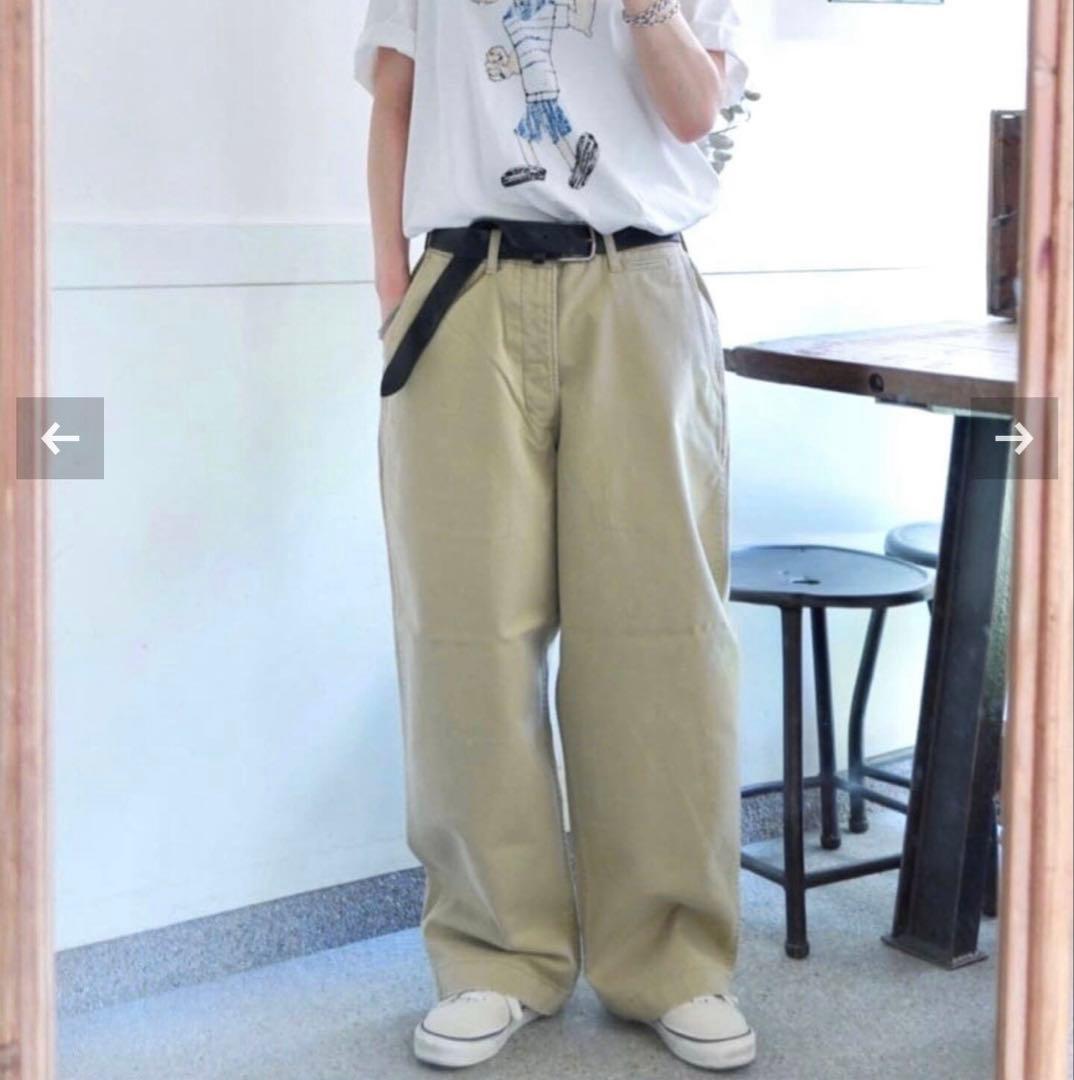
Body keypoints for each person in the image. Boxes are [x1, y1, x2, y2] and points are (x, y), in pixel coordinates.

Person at [354, 0, 753, 1070]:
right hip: (465, 289)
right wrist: (394, 294)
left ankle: (671, 958)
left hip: (640, 285)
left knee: (660, 634)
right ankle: (494, 956)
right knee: (465, 637)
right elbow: (393, 102)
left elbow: (694, 112)